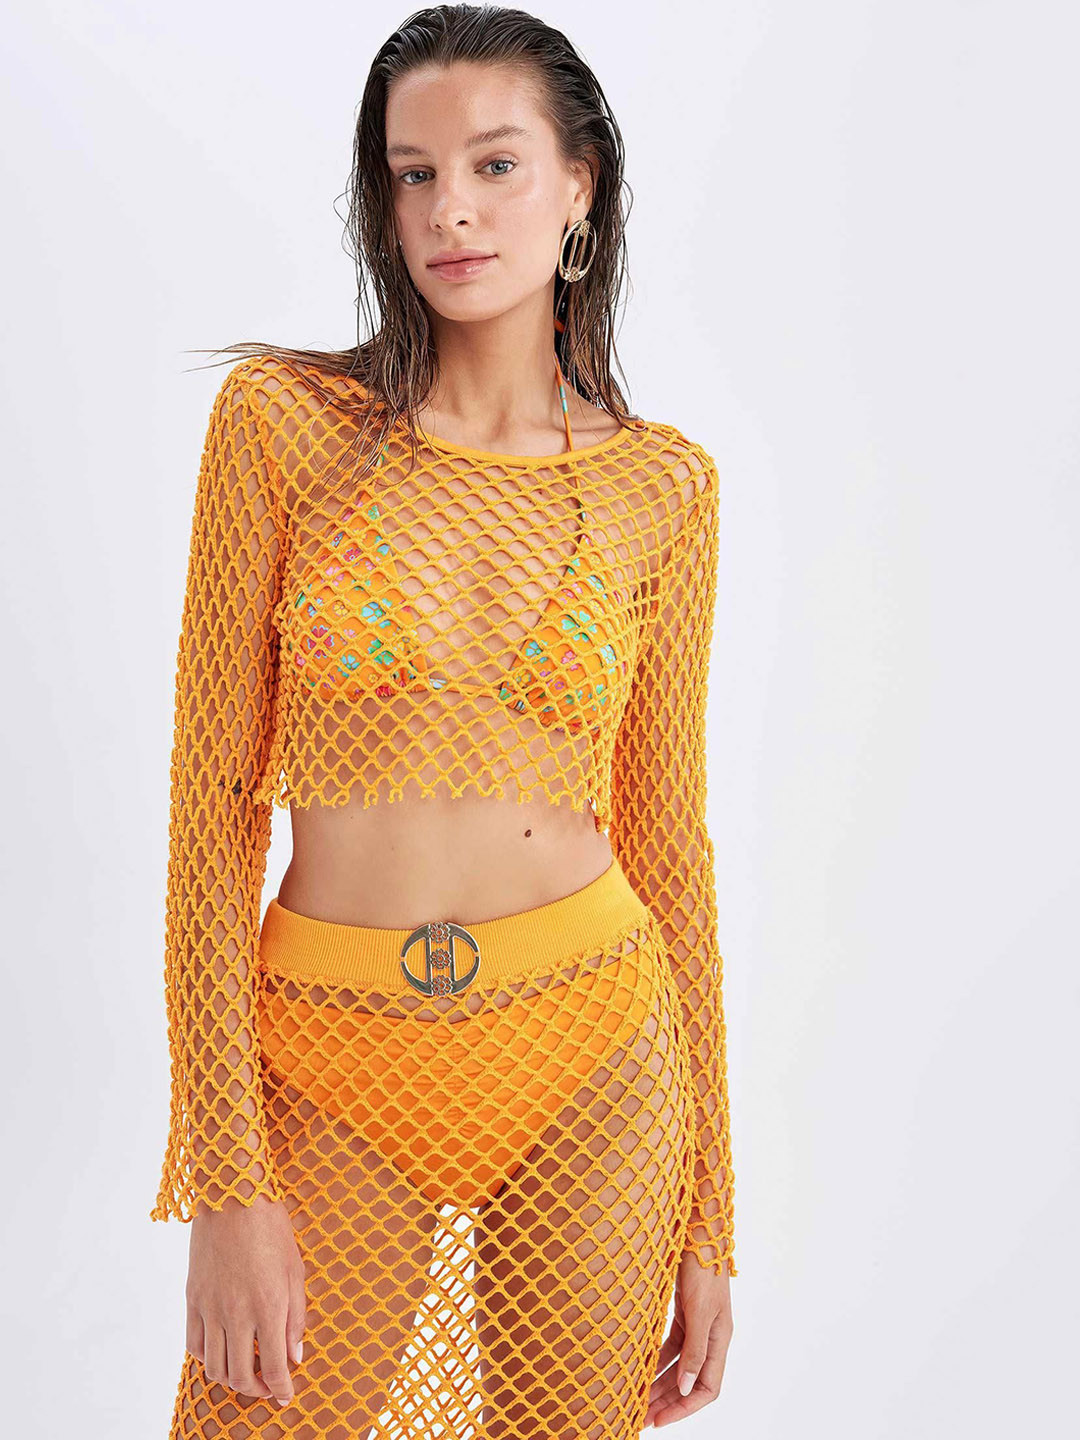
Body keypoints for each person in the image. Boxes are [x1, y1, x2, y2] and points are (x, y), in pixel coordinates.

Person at [151, 6, 736, 1436]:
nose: (450, 209)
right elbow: (211, 817)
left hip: (596, 1040)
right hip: (331, 1048)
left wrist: (711, 1215)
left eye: (494, 164)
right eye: (412, 174)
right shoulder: (284, 428)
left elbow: (671, 847)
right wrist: (227, 1179)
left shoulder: (664, 487)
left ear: (580, 184)